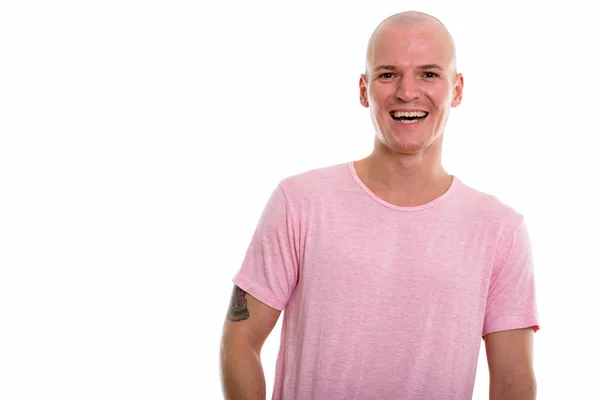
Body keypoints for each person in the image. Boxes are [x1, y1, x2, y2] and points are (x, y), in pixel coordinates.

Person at [220, 10, 540, 400]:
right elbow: (240, 339)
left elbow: (512, 381)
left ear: (456, 89)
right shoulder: (299, 203)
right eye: (388, 74)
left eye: (429, 74)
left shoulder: (500, 231)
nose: (407, 92)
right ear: (363, 89)